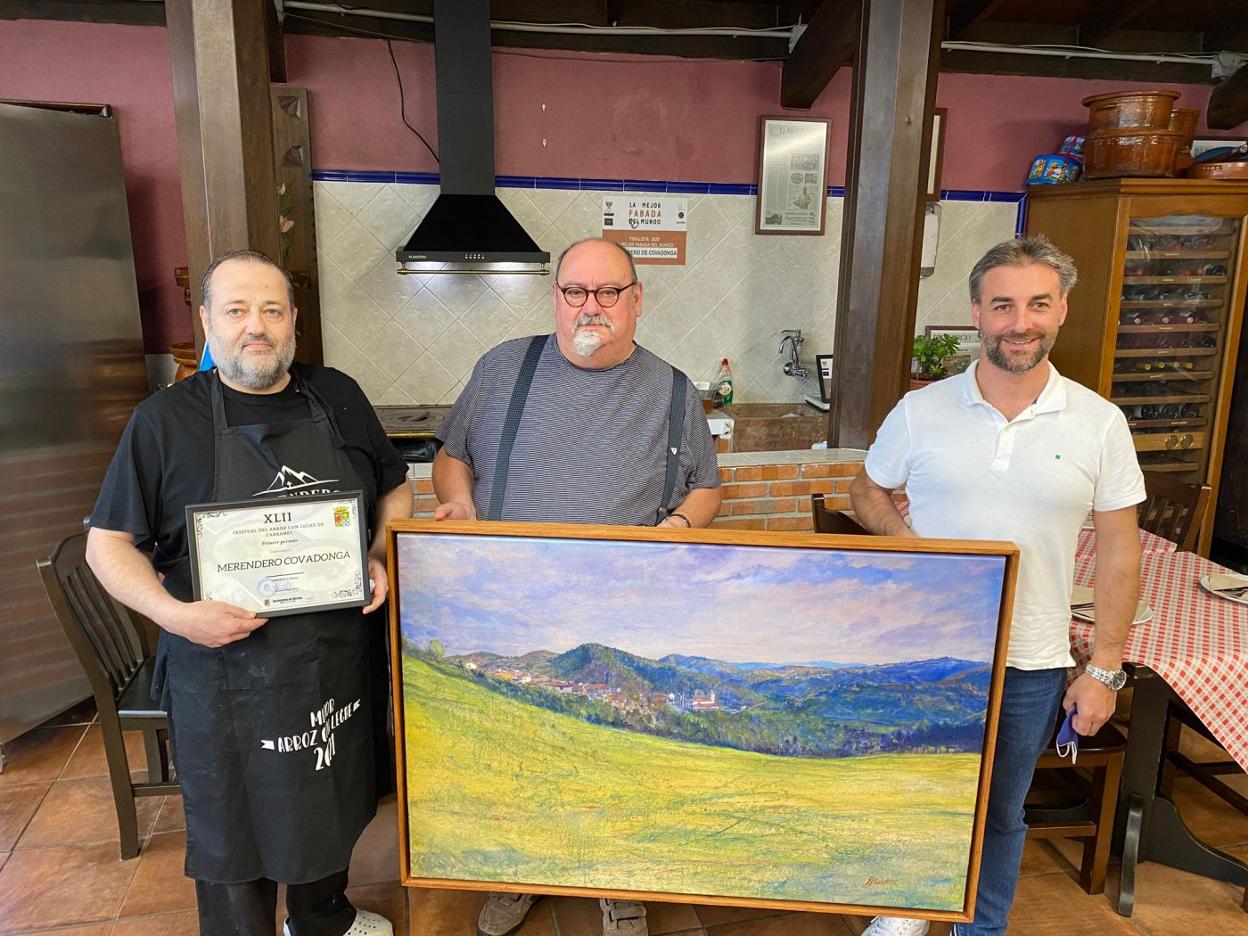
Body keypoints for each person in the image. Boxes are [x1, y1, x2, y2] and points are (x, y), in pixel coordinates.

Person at [86, 249, 414, 936]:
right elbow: (107, 546)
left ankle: (323, 917)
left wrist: (378, 557)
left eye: (271, 309)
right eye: (236, 310)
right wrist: (176, 615)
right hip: (222, 672)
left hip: (332, 658)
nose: (254, 326)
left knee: (329, 798)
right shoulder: (163, 423)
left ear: (294, 321)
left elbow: (396, 489)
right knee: (236, 829)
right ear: (207, 320)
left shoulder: (339, 396)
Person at [849, 235, 1144, 936]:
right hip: (927, 652)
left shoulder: (1099, 423)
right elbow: (867, 492)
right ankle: (906, 910)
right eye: (1003, 304)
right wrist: (921, 553)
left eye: (1038, 304)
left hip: (1032, 661)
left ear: (1062, 310)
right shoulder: (921, 412)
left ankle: (981, 931)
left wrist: (1103, 669)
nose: (1021, 322)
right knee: (915, 792)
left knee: (1000, 811)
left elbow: (1120, 552)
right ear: (977, 313)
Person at [432, 237, 722, 936]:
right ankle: (520, 871)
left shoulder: (675, 392)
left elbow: (707, 487)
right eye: (575, 292)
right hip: (513, 603)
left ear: (637, 300)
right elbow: (451, 457)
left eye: (608, 292)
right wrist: (461, 506)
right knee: (521, 753)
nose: (590, 307)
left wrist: (679, 523)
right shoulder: (504, 368)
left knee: (614, 750)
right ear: (556, 297)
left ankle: (617, 882)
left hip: (621, 610)